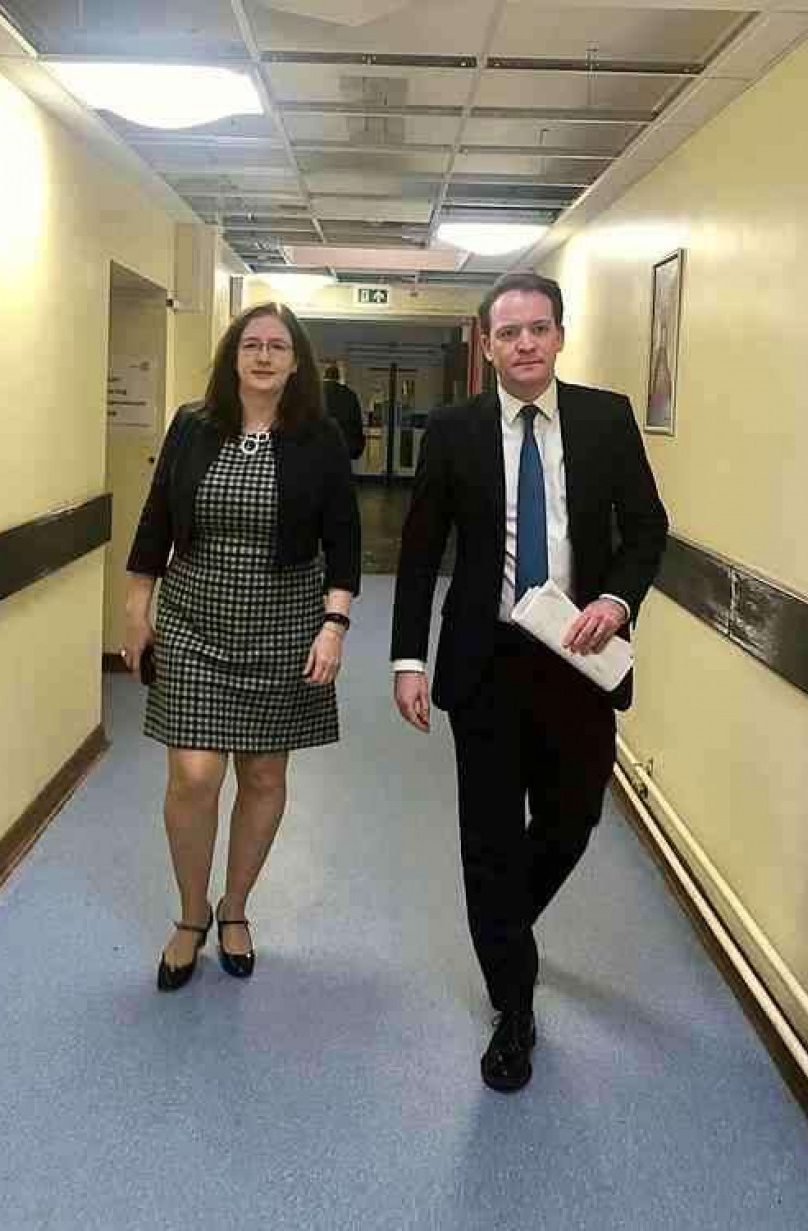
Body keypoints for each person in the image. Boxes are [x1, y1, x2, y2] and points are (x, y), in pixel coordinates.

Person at [391, 272, 668, 1092]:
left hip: (578, 660)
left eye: (537, 329)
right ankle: (513, 1010)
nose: (523, 344)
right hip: (484, 662)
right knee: (486, 839)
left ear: (558, 334)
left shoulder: (605, 418)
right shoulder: (453, 430)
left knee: (573, 818)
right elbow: (417, 550)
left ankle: (505, 926)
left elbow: (647, 527)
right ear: (485, 343)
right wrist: (408, 658)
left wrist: (615, 600)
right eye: (507, 332)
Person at [123, 302, 361, 992]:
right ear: (233, 356)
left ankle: (236, 909)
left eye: (276, 346)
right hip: (195, 618)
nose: (262, 356)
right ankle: (191, 914)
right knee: (193, 776)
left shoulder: (317, 438)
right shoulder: (193, 427)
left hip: (284, 622)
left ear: (295, 362)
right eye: (251, 344)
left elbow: (343, 542)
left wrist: (333, 626)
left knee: (261, 776)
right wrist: (137, 605)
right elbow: (156, 517)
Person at [322, 363, 365, 461]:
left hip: (320, 445)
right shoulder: (350, 395)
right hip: (343, 445)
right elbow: (356, 422)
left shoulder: (316, 393)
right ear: (338, 377)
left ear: (325, 375)